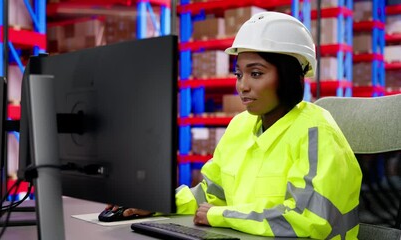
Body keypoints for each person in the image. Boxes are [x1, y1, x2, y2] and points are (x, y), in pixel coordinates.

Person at [106, 11, 363, 239]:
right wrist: (159, 203)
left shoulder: (316, 133)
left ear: (289, 77)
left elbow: (307, 221)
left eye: (256, 73)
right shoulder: (240, 126)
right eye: (239, 74)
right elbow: (211, 194)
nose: (242, 85)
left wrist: (221, 216)